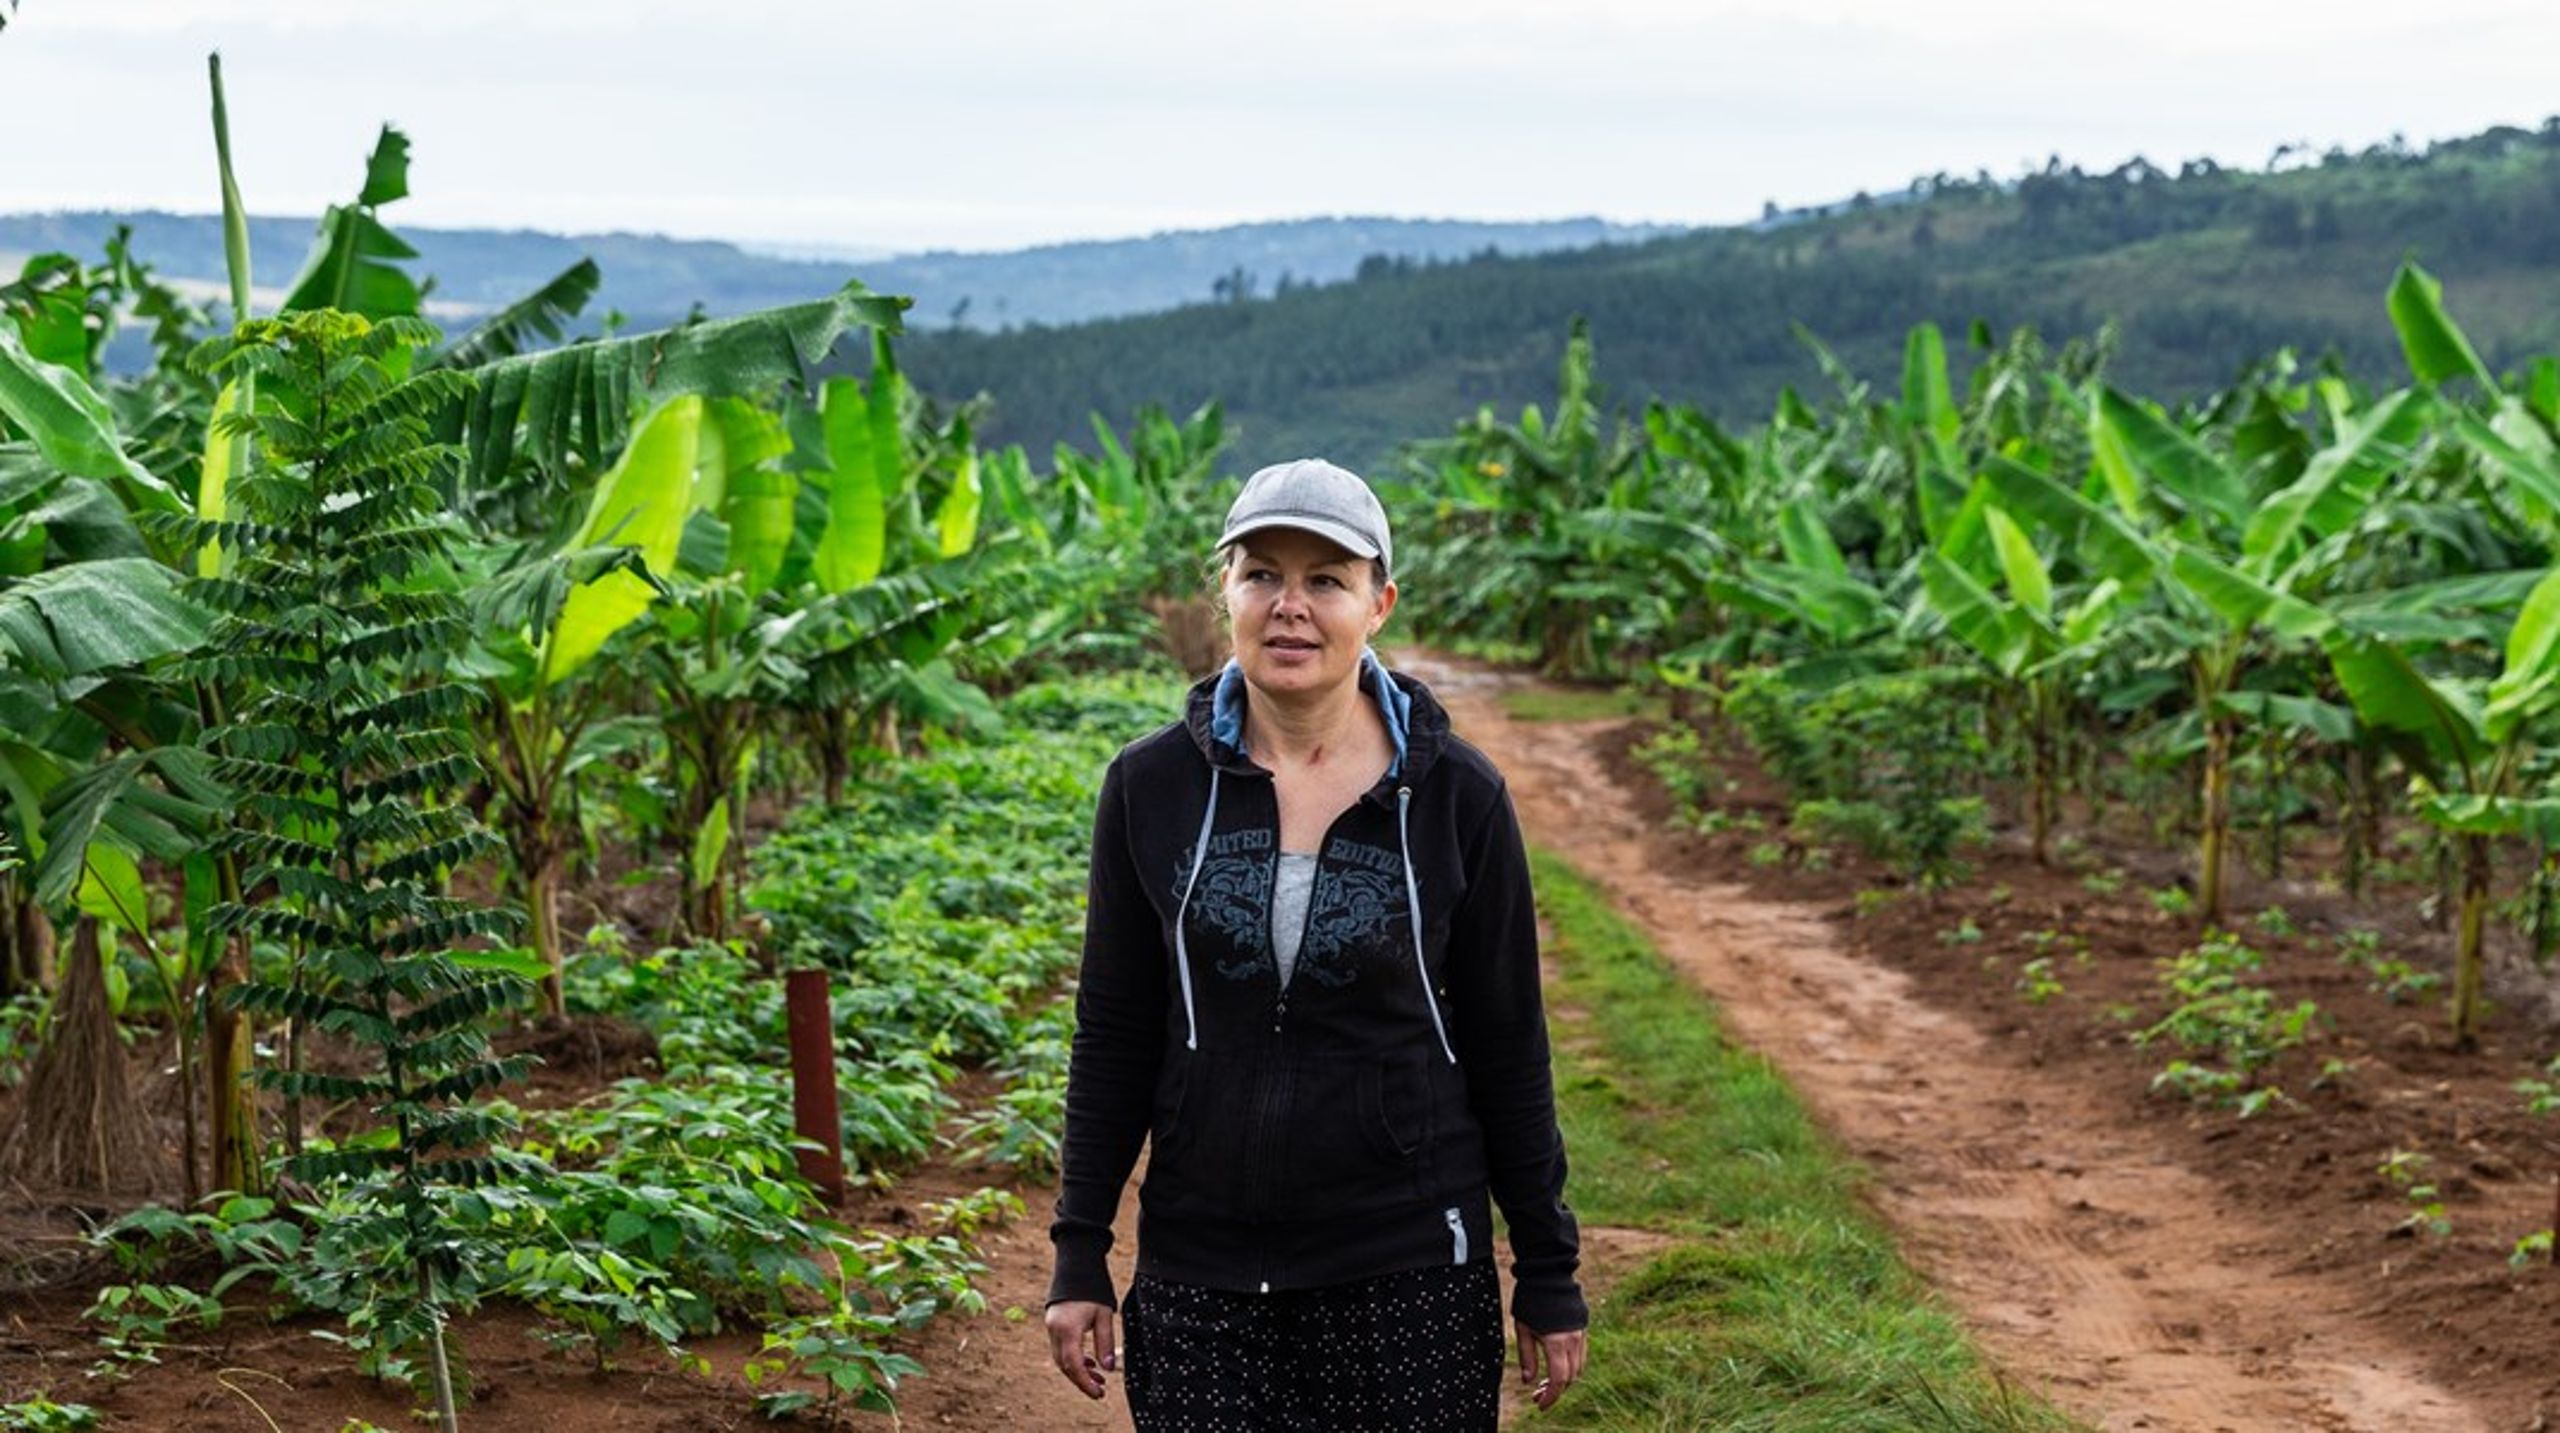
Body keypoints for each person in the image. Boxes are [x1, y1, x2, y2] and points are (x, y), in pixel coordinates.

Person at [1044, 458, 1589, 1430]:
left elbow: (1508, 1042)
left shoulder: (1457, 797)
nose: (1289, 605)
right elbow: (1115, 1030)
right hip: (1200, 1269)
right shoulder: (1150, 787)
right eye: (1261, 573)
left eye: (1326, 579)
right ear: (1225, 591)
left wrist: (1547, 1267)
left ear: (1378, 603)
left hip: (1408, 1269)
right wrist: (1079, 1248)